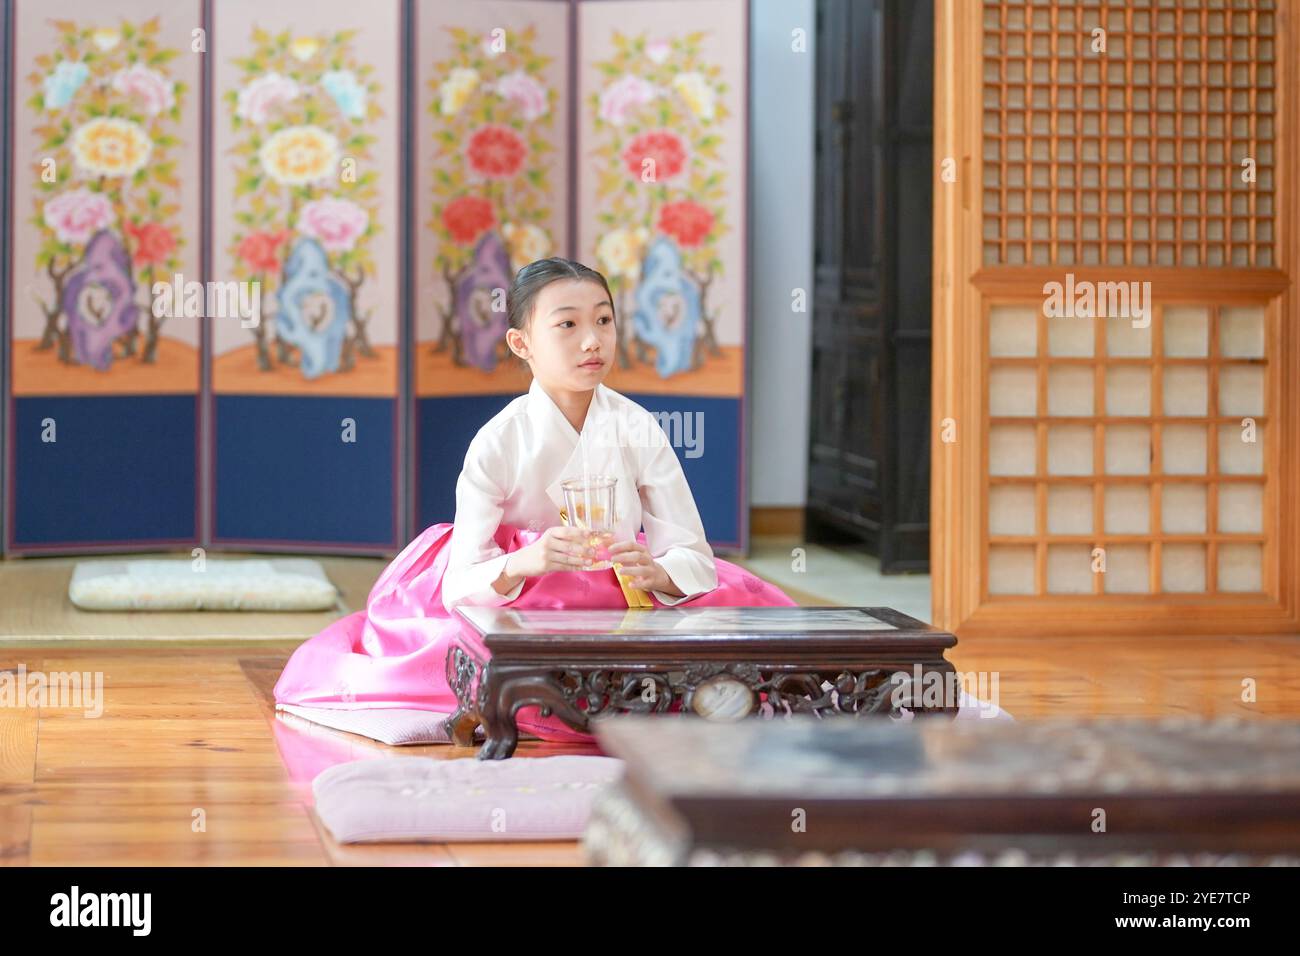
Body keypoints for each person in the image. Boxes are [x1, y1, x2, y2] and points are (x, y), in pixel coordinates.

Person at [273, 257, 796, 742]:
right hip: (525, 588)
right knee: (449, 649)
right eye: (567, 325)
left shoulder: (637, 427)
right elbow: (463, 579)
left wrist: (659, 572)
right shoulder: (499, 439)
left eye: (604, 321)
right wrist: (529, 558)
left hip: (621, 583)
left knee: (747, 621)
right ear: (521, 343)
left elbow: (688, 548)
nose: (592, 341)